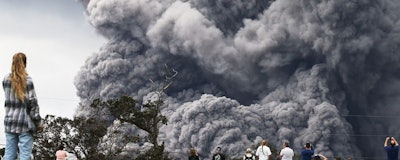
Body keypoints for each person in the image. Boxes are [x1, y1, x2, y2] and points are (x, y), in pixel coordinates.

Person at [3, 53, 40, 160]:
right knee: (25, 155)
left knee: (9, 155)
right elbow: (33, 104)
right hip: (25, 123)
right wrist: (38, 122)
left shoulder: (6, 79)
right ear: (25, 64)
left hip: (9, 122)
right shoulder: (28, 81)